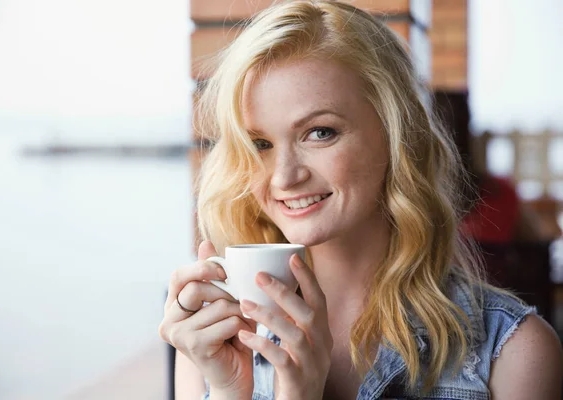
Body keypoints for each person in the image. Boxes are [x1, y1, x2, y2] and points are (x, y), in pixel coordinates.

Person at [159, 1, 563, 399]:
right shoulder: (212, 346)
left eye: (320, 132)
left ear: (395, 134)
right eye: (259, 143)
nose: (284, 176)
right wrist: (231, 392)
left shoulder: (513, 354)